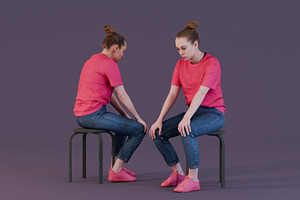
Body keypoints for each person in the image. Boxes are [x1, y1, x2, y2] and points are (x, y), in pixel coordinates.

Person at [149, 20, 225, 193]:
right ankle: (178, 173)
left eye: (183, 48)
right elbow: (172, 94)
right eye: (177, 49)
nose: (180, 52)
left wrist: (187, 118)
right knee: (157, 133)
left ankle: (193, 179)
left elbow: (201, 94)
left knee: (186, 129)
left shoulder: (212, 63)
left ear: (196, 44)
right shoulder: (180, 65)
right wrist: (159, 120)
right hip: (194, 112)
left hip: (213, 114)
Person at [74, 25, 148, 182]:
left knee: (123, 125)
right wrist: (138, 118)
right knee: (139, 129)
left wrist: (123, 114)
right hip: (94, 115)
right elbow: (122, 94)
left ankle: (116, 165)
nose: (123, 56)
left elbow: (109, 94)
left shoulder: (91, 61)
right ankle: (116, 171)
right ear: (115, 48)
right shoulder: (110, 64)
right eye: (123, 51)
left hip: (81, 115)